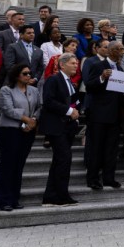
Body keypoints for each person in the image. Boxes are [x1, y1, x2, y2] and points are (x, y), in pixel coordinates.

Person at [0, 63, 41, 211]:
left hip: (28, 131)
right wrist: (26, 119)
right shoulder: (6, 89)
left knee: (19, 165)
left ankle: (14, 198)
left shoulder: (34, 90)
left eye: (30, 73)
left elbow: (40, 107)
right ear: (17, 75)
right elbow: (7, 109)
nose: (29, 76)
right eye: (25, 73)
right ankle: (4, 200)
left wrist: (33, 119)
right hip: (10, 130)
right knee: (7, 165)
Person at [39, 53, 81, 207]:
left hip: (67, 126)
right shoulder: (54, 79)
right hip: (56, 126)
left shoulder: (69, 81)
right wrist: (69, 111)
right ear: (62, 65)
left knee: (60, 161)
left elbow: (73, 101)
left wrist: (76, 110)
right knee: (64, 159)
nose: (76, 66)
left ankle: (52, 195)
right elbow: (48, 101)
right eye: (72, 63)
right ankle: (60, 195)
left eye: (76, 63)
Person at [84, 41, 124, 190]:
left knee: (111, 149)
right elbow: (89, 86)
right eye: (120, 49)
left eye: (123, 49)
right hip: (99, 114)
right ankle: (93, 178)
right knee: (96, 148)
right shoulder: (98, 66)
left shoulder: (120, 68)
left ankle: (109, 178)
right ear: (112, 51)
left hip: (115, 115)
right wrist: (101, 77)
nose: (122, 51)